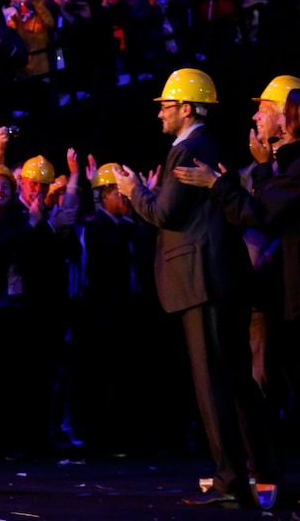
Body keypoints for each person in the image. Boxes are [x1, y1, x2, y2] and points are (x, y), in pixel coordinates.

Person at [115, 68, 282, 507]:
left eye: (166, 107)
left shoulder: (188, 147)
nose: (160, 116)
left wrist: (134, 192)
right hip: (218, 279)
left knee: (214, 383)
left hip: (202, 281)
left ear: (186, 108)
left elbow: (166, 214)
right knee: (237, 381)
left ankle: (231, 479)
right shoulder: (203, 145)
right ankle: (260, 472)